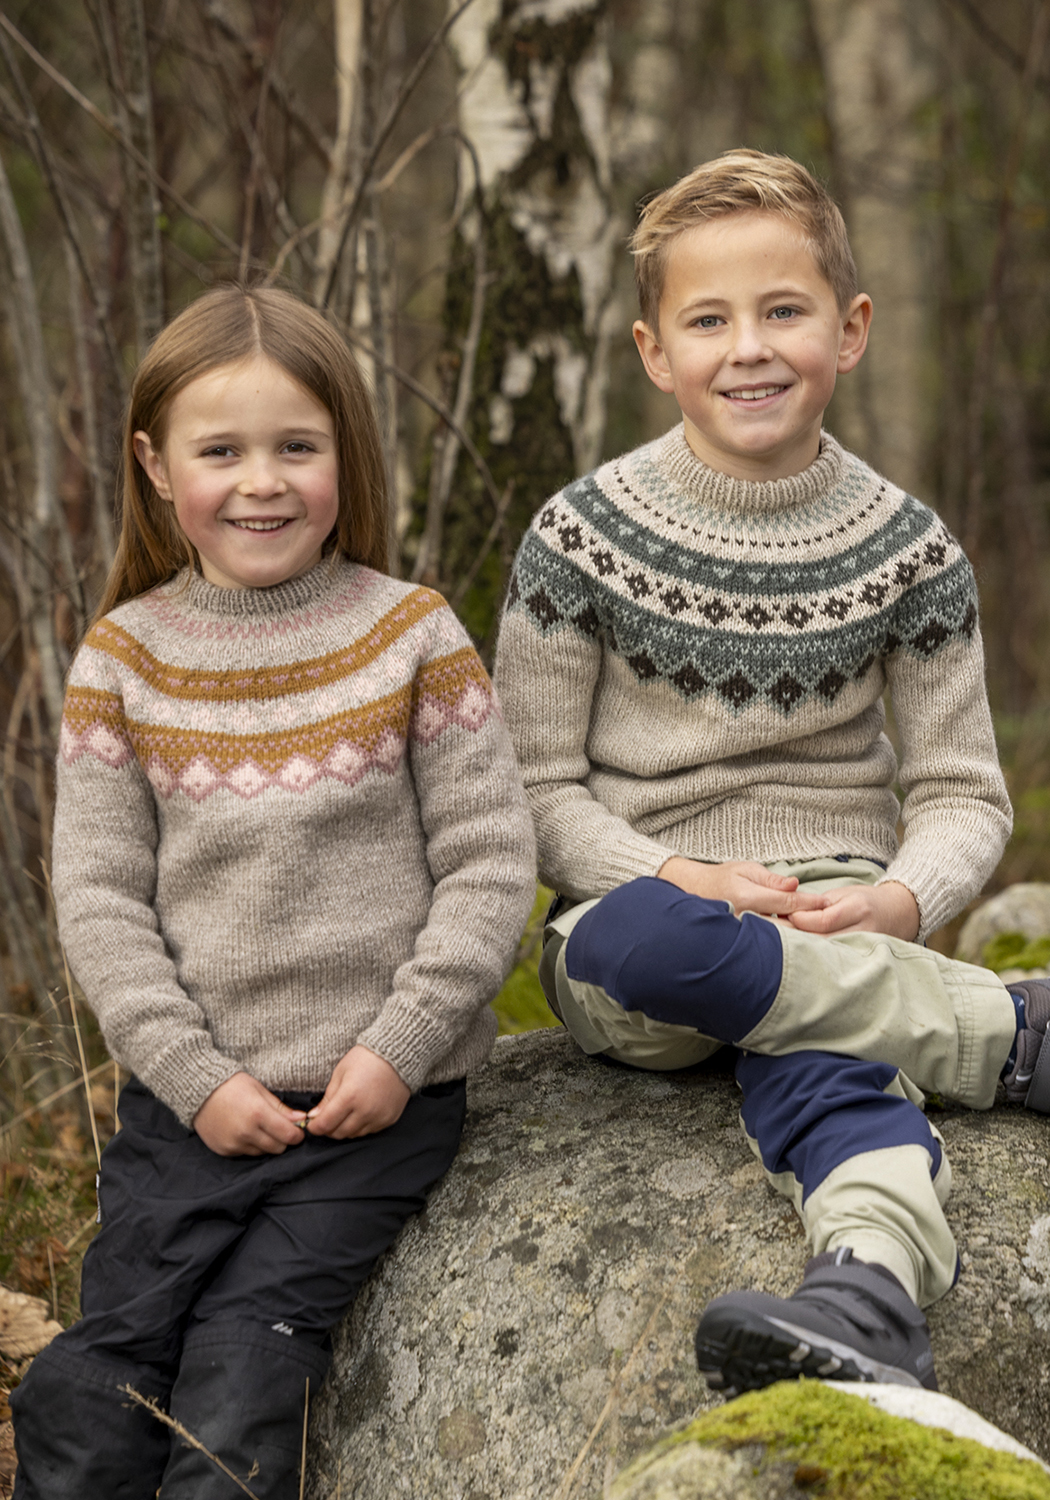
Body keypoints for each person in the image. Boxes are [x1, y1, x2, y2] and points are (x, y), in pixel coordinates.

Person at [493, 148, 1050, 1398]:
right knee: (648, 938)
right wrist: (674, 870)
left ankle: (869, 1290)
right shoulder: (580, 538)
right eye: (709, 320)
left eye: (784, 310)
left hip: (832, 904)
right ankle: (1007, 1036)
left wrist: (898, 901)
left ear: (849, 329)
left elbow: (962, 789)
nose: (748, 349)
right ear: (654, 351)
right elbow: (530, 791)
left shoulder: (910, 548)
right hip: (643, 913)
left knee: (832, 1059)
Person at [11, 286, 535, 1499]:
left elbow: (491, 862)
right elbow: (99, 899)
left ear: (346, 451)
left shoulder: (412, 635)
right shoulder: (125, 659)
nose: (263, 483)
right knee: (97, 1377)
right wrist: (196, 1080)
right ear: (156, 467)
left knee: (245, 1369)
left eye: (298, 446)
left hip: (373, 1115)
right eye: (222, 452)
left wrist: (400, 1048)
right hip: (186, 1117)